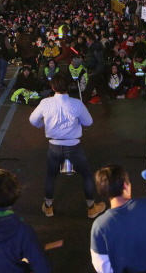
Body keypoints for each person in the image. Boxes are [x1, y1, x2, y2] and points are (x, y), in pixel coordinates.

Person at [29, 73, 106, 219]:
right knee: (86, 175)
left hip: (54, 145)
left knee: (51, 175)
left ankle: (48, 207)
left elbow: (33, 120)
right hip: (73, 145)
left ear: (53, 87)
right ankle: (91, 208)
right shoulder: (77, 103)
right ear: (69, 86)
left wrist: (42, 124)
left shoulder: (46, 103)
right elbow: (88, 122)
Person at [0, 25, 12, 89]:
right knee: (3, 70)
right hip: (4, 55)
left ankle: (1, 82)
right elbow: (9, 47)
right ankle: (0, 84)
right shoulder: (4, 37)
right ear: (3, 30)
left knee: (0, 70)